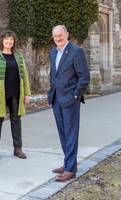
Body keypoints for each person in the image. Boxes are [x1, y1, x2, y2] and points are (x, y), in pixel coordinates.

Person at [48, 25, 90, 181]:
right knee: (63, 133)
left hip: (70, 99)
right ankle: (69, 163)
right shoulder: (52, 52)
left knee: (71, 133)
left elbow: (84, 76)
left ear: (67, 34)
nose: (58, 38)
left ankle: (70, 169)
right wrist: (51, 90)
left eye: (60, 35)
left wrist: (76, 95)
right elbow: (54, 74)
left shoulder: (76, 51)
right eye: (55, 36)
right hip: (56, 98)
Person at [0, 30, 31, 160]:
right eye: (6, 39)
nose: (9, 41)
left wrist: (26, 93)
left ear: (13, 42)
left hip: (16, 93)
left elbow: (24, 75)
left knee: (16, 121)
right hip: (0, 94)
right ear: (2, 40)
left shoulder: (18, 56)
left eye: (11, 39)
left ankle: (18, 148)